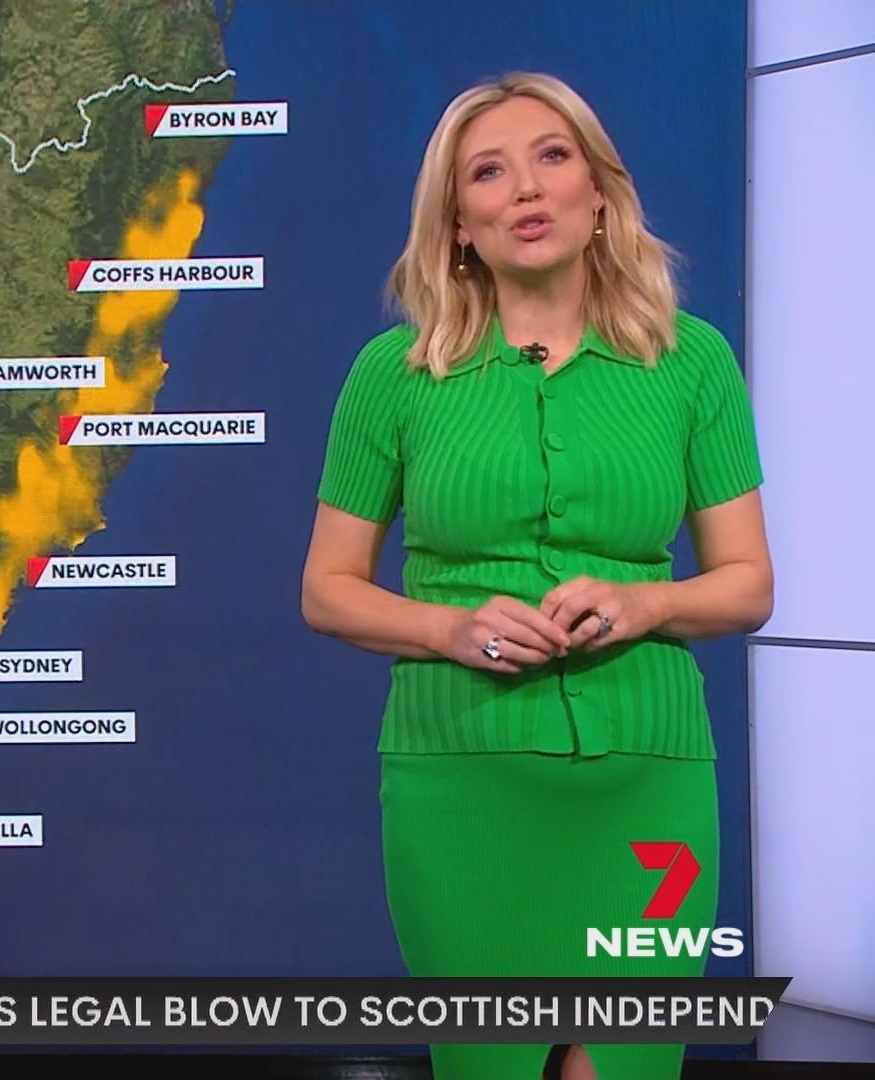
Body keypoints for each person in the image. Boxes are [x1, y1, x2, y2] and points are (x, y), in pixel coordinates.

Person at [301, 71, 773, 1080]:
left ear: (598, 192)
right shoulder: (395, 376)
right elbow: (327, 588)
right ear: (457, 223)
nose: (525, 187)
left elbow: (747, 584)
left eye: (552, 157)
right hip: (461, 783)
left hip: (645, 787)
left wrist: (646, 602)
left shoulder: (692, 363)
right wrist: (448, 628)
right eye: (488, 171)